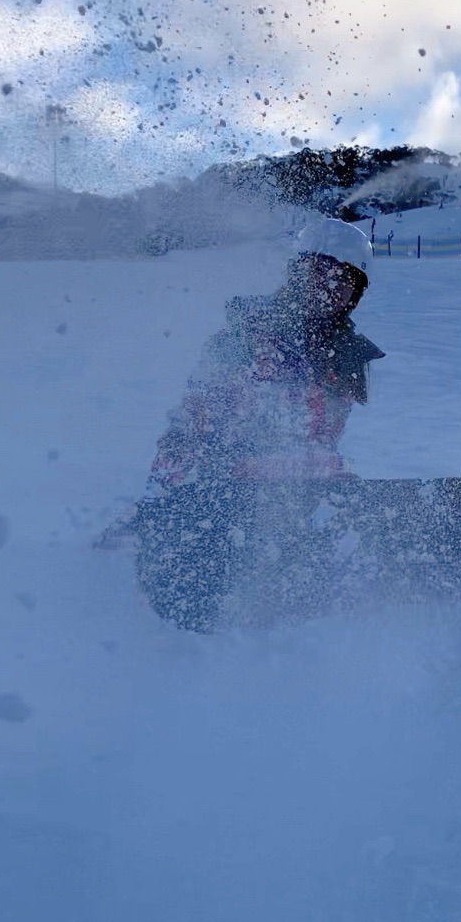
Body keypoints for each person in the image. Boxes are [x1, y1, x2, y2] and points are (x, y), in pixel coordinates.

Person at [133, 217, 384, 629]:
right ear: (298, 272)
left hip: (305, 489)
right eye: (321, 272)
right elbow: (193, 417)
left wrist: (335, 484)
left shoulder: (346, 354)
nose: (331, 287)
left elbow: (323, 440)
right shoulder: (245, 335)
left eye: (345, 281)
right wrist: (165, 499)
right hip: (226, 486)